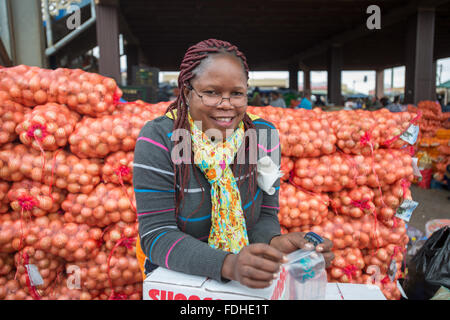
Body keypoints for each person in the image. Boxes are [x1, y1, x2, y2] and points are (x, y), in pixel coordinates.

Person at [133, 39, 334, 289]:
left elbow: (265, 215)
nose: (226, 104)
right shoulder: (161, 139)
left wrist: (276, 243)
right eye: (211, 92)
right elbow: (156, 235)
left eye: (236, 93)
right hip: (177, 278)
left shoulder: (262, 136)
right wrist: (228, 264)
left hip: (241, 276)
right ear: (186, 93)